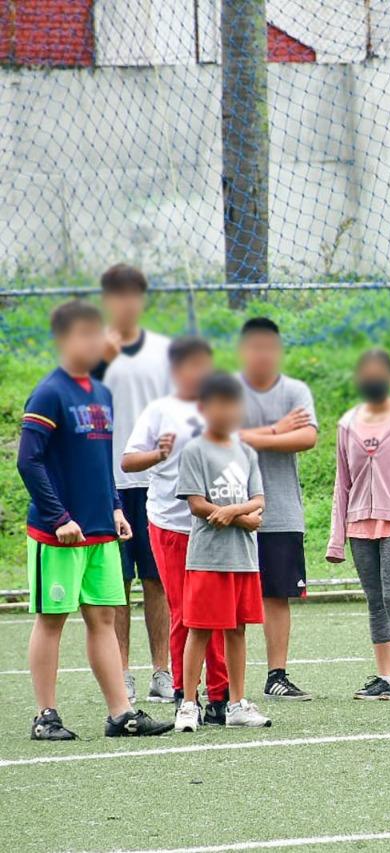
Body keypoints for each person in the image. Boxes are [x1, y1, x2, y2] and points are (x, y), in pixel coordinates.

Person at [18, 300, 173, 740]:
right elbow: (29, 461)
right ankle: (45, 716)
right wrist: (59, 517)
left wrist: (115, 508)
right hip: (60, 533)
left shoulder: (100, 394)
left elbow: (100, 461)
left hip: (100, 530)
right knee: (52, 618)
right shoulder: (50, 392)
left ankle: (120, 713)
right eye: (84, 335)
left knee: (103, 617)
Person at [122, 336, 231, 725]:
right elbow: (129, 461)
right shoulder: (159, 411)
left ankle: (222, 696)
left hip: (216, 526)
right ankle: (187, 695)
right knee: (185, 612)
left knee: (219, 612)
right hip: (170, 525)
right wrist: (159, 454)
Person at [326, 349, 390, 701]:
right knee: (374, 600)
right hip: (359, 526)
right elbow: (342, 484)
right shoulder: (347, 424)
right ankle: (384, 677)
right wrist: (335, 540)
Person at [92, 264, 173, 705]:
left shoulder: (164, 353)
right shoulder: (93, 355)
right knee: (116, 583)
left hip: (156, 483)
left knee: (157, 580)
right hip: (108, 485)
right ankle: (121, 671)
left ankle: (162, 669)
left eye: (133, 294)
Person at [174, 372, 271, 731]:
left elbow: (259, 500)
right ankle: (187, 705)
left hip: (243, 558)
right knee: (198, 629)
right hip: (208, 557)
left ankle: (236, 704)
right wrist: (241, 517)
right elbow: (198, 505)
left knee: (238, 630)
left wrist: (233, 513)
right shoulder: (195, 450)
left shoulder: (246, 451)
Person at [236, 317, 319, 701]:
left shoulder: (295, 390)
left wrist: (254, 437)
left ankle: (276, 675)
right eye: (255, 347)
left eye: (270, 347)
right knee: (229, 597)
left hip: (281, 510)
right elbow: (221, 438)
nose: (263, 355)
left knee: (277, 595)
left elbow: (306, 437)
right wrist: (275, 430)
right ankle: (224, 683)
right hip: (233, 513)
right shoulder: (229, 391)